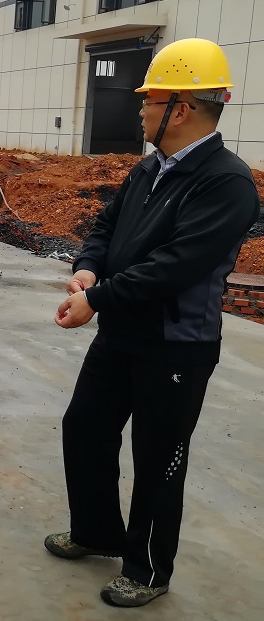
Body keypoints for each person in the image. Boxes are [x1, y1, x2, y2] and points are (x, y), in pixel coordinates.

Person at [48, 38, 261, 608]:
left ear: (181, 109)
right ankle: (96, 532)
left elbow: (176, 266)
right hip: (121, 332)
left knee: (158, 459)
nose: (140, 110)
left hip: (175, 345)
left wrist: (100, 299)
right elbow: (105, 227)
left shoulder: (227, 182)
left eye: (150, 101)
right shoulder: (147, 170)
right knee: (85, 429)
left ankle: (147, 571)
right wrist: (88, 269)